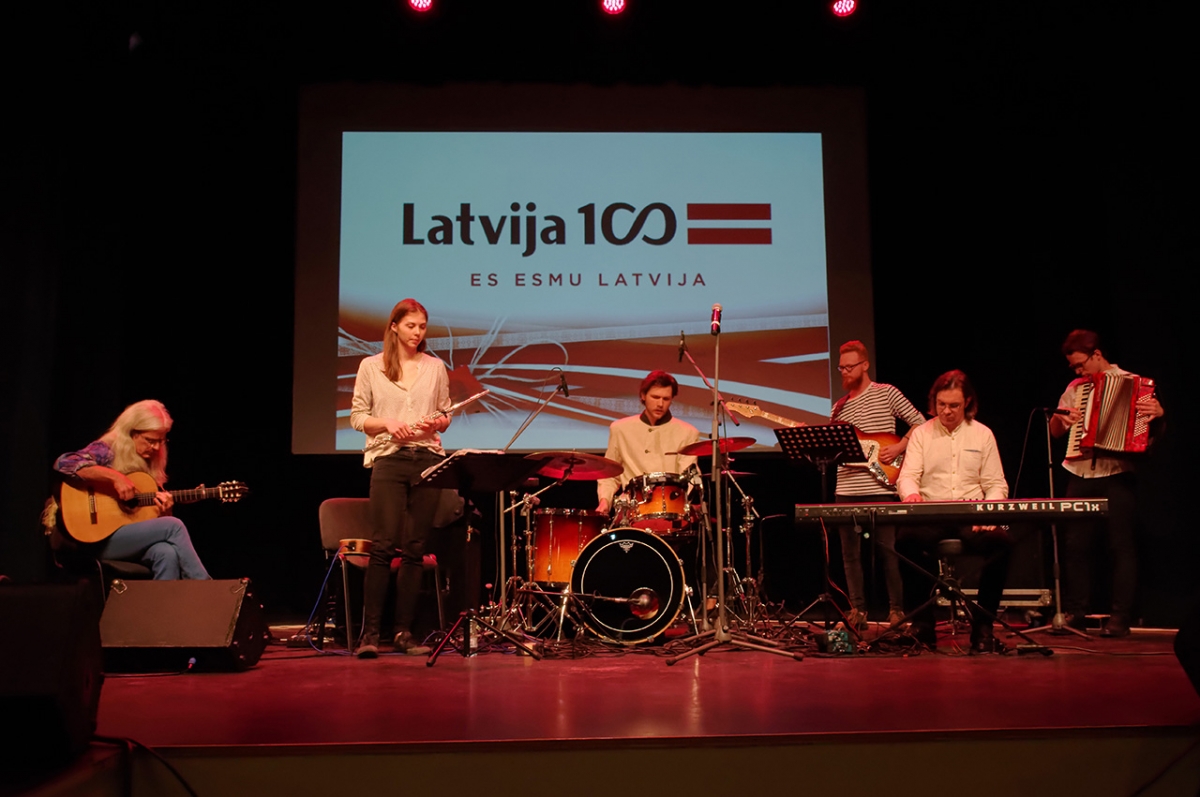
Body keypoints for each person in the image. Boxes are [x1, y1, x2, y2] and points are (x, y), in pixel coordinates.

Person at [349, 298, 452, 659]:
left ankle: (403, 632)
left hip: (427, 459)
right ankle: (370, 634)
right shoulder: (371, 366)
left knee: (415, 549)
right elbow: (358, 417)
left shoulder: (435, 367)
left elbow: (444, 414)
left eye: (422, 327)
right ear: (394, 327)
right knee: (382, 546)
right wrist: (388, 423)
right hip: (388, 458)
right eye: (410, 326)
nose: (417, 333)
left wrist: (439, 421)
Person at [1049, 329, 1164, 637]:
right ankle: (1077, 613)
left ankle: (1119, 618)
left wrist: (1158, 413)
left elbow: (1151, 429)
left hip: (1117, 472)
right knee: (1075, 547)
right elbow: (1055, 431)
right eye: (1073, 367)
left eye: (1080, 364)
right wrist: (1061, 418)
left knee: (1120, 546)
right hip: (1080, 471)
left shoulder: (1135, 383)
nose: (1077, 371)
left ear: (1097, 354)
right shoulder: (1075, 388)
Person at [895, 370, 1011, 653]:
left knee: (1001, 543)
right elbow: (907, 476)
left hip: (971, 514)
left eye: (954, 405)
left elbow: (996, 484)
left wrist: (988, 512)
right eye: (941, 405)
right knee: (905, 541)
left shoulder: (982, 434)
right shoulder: (922, 434)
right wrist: (911, 495)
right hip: (931, 513)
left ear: (967, 402)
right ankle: (923, 624)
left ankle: (983, 627)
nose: (946, 411)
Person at [50, 399, 211, 580]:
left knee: (166, 553)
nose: (156, 447)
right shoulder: (107, 449)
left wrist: (165, 511)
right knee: (174, 526)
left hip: (125, 540)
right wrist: (115, 478)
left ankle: (163, 599)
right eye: (150, 440)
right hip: (94, 539)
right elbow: (63, 463)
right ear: (132, 434)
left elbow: (144, 518)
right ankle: (205, 586)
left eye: (161, 441)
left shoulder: (150, 462)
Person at [830, 340, 926, 632]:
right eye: (841, 368)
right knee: (849, 555)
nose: (844, 372)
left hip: (881, 485)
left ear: (865, 365)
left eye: (849, 366)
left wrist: (899, 447)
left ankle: (896, 611)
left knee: (888, 552)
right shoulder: (838, 407)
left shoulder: (887, 393)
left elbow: (919, 422)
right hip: (846, 488)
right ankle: (857, 610)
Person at [596, 370, 700, 515]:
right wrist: (605, 501)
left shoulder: (687, 432)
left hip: (669, 510)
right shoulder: (620, 428)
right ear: (643, 396)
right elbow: (610, 474)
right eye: (655, 397)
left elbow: (688, 479)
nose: (660, 404)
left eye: (666, 399)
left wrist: (679, 504)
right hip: (631, 510)